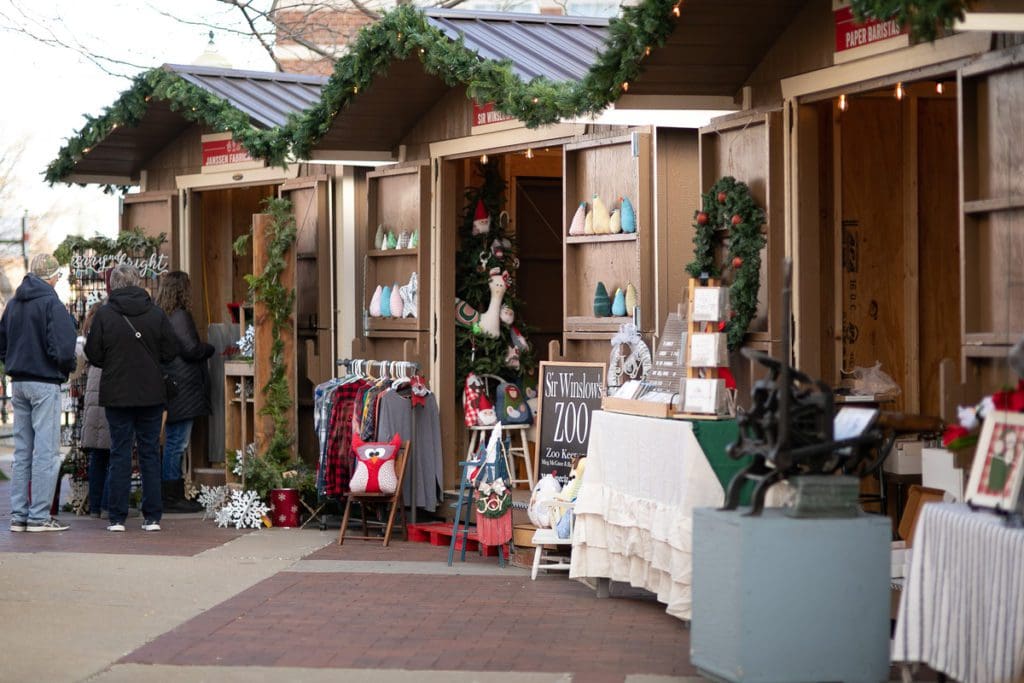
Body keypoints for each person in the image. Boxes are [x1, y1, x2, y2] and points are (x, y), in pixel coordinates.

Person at [85, 264, 177, 532]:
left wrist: (113, 363)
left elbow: (93, 354)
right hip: (151, 393)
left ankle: (117, 517)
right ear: (138, 282)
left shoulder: (104, 315)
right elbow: (171, 351)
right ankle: (152, 517)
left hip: (117, 393)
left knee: (120, 453)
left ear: (113, 285)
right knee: (150, 453)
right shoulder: (156, 313)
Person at [0, 253, 77, 532]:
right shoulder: (51, 303)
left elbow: (2, 344)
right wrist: (63, 368)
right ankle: (39, 516)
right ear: (52, 276)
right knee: (46, 451)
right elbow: (64, 348)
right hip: (44, 382)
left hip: (18, 382)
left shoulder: (14, 304)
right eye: (58, 275)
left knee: (23, 452)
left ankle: (19, 516)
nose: (59, 279)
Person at [155, 271, 213, 513]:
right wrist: (209, 348)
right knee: (177, 443)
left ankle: (170, 493)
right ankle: (171, 496)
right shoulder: (180, 316)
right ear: (181, 291)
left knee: (173, 442)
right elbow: (190, 349)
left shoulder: (162, 315)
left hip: (174, 386)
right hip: (184, 387)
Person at [78, 301, 111, 518]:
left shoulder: (87, 340)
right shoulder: (106, 335)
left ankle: (96, 506)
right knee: (113, 454)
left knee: (97, 458)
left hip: (93, 398)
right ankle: (108, 504)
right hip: (108, 395)